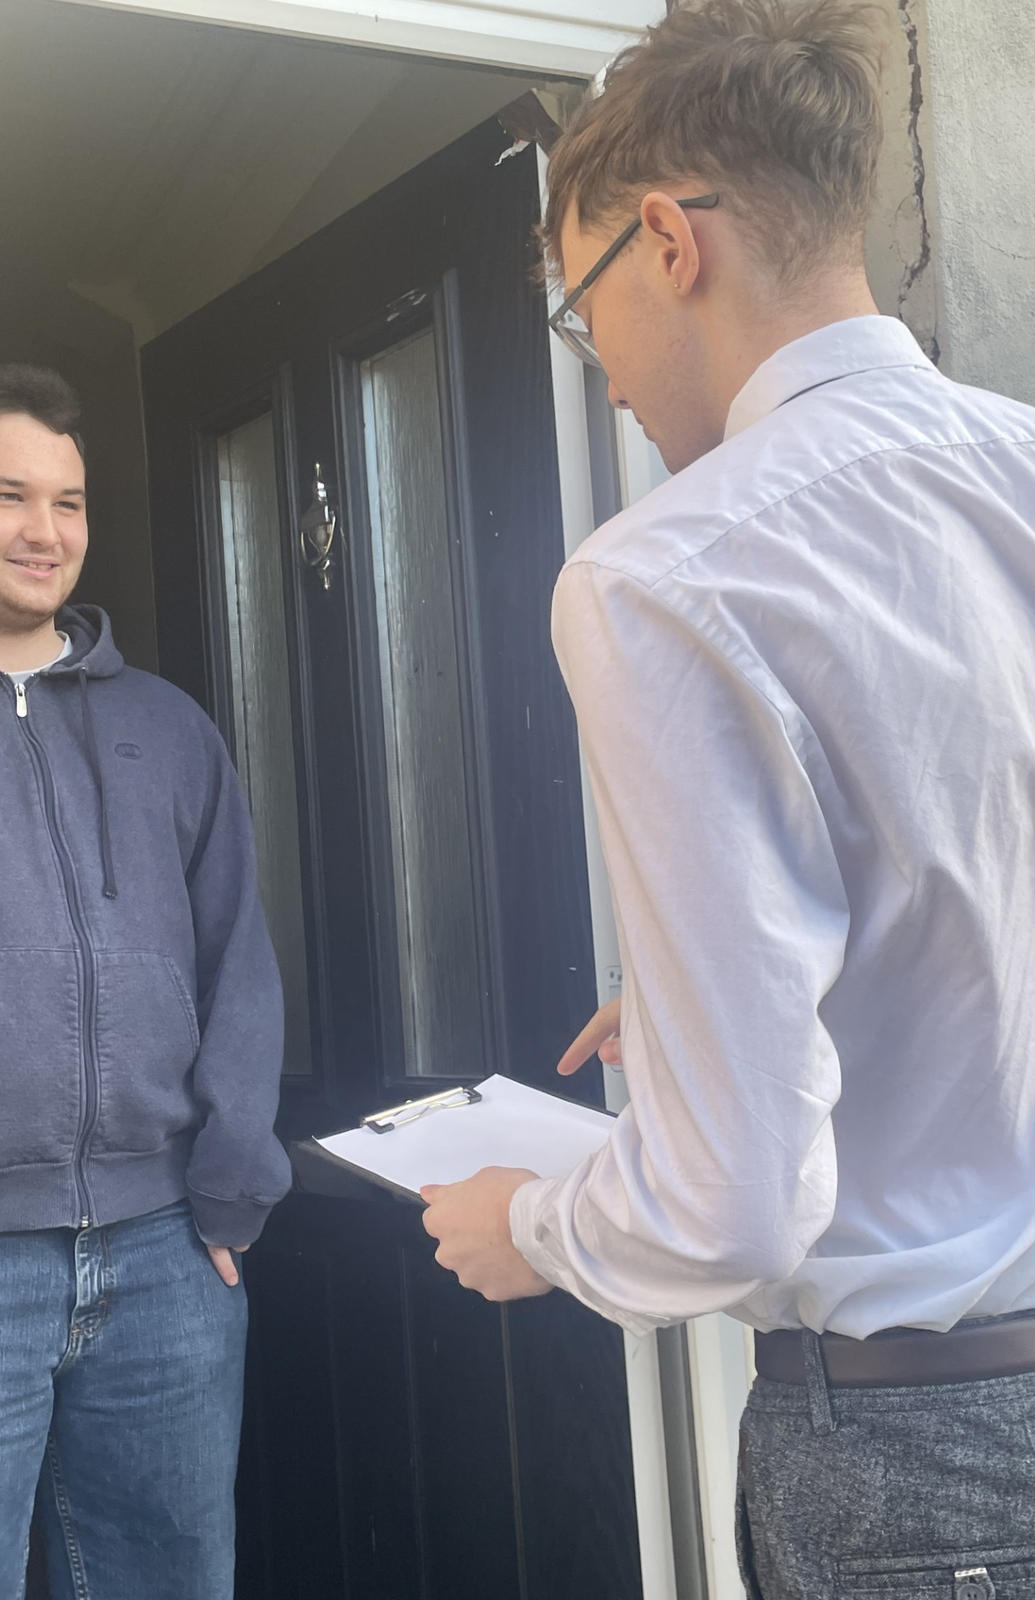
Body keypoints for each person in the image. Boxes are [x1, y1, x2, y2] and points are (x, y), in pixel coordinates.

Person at [421, 1, 1035, 1591]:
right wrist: (746, 991)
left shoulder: (662, 572)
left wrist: (533, 1227)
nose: (602, 371)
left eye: (580, 312)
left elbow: (736, 1204)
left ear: (666, 241)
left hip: (925, 1465)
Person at [0, 365, 290, 1599]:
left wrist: (230, 1187)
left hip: (163, 1258)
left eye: (69, 502)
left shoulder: (166, 726)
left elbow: (235, 959)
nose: (46, 532)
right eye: (6, 495)